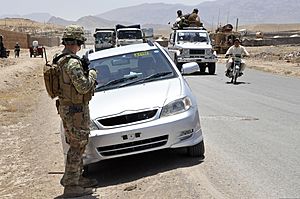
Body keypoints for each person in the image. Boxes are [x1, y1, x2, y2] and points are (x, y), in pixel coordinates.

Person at [55, 24, 98, 198]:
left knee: (77, 144)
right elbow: (83, 86)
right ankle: (71, 185)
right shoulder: (72, 63)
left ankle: (76, 178)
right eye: (80, 42)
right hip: (75, 110)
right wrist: (93, 73)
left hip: (69, 108)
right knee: (77, 145)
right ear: (75, 42)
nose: (80, 46)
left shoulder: (60, 59)